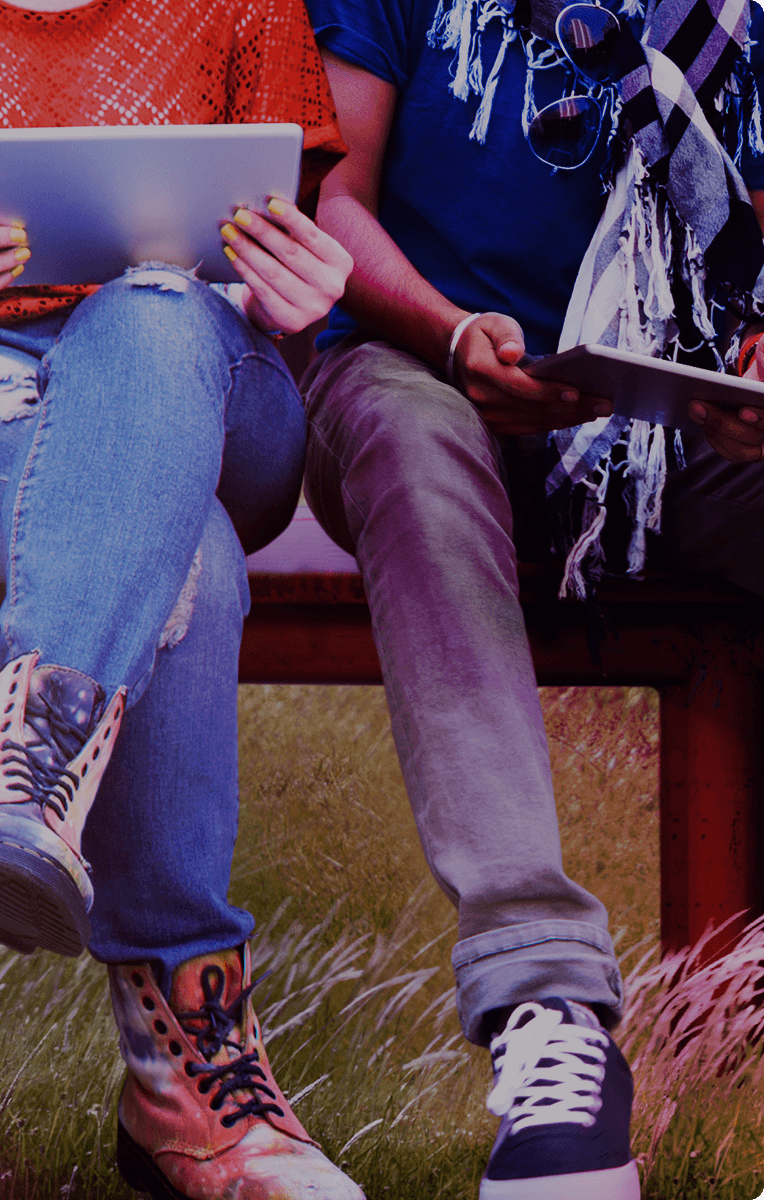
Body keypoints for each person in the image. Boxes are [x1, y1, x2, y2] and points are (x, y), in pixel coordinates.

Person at [0, 0, 368, 1196]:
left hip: (199, 373)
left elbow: (275, 253)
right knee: (179, 543)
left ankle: (25, 773)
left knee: (153, 310)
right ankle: (187, 1083)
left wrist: (291, 295)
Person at [300, 0, 764, 1193]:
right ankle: (544, 1006)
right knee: (409, 444)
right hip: (423, 369)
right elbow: (327, 192)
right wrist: (451, 334)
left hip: (672, 415)